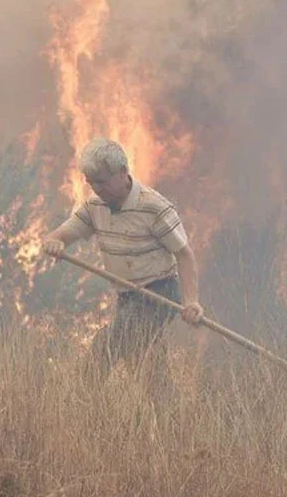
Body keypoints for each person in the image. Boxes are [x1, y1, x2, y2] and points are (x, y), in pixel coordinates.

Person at [41, 137, 204, 394]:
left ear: (122, 172)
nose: (97, 188)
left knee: (105, 347)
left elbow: (184, 255)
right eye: (91, 182)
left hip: (159, 293)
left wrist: (191, 301)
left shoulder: (154, 207)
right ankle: (171, 412)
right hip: (127, 296)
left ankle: (81, 402)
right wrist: (54, 243)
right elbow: (60, 235)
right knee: (145, 364)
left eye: (102, 181)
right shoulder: (95, 207)